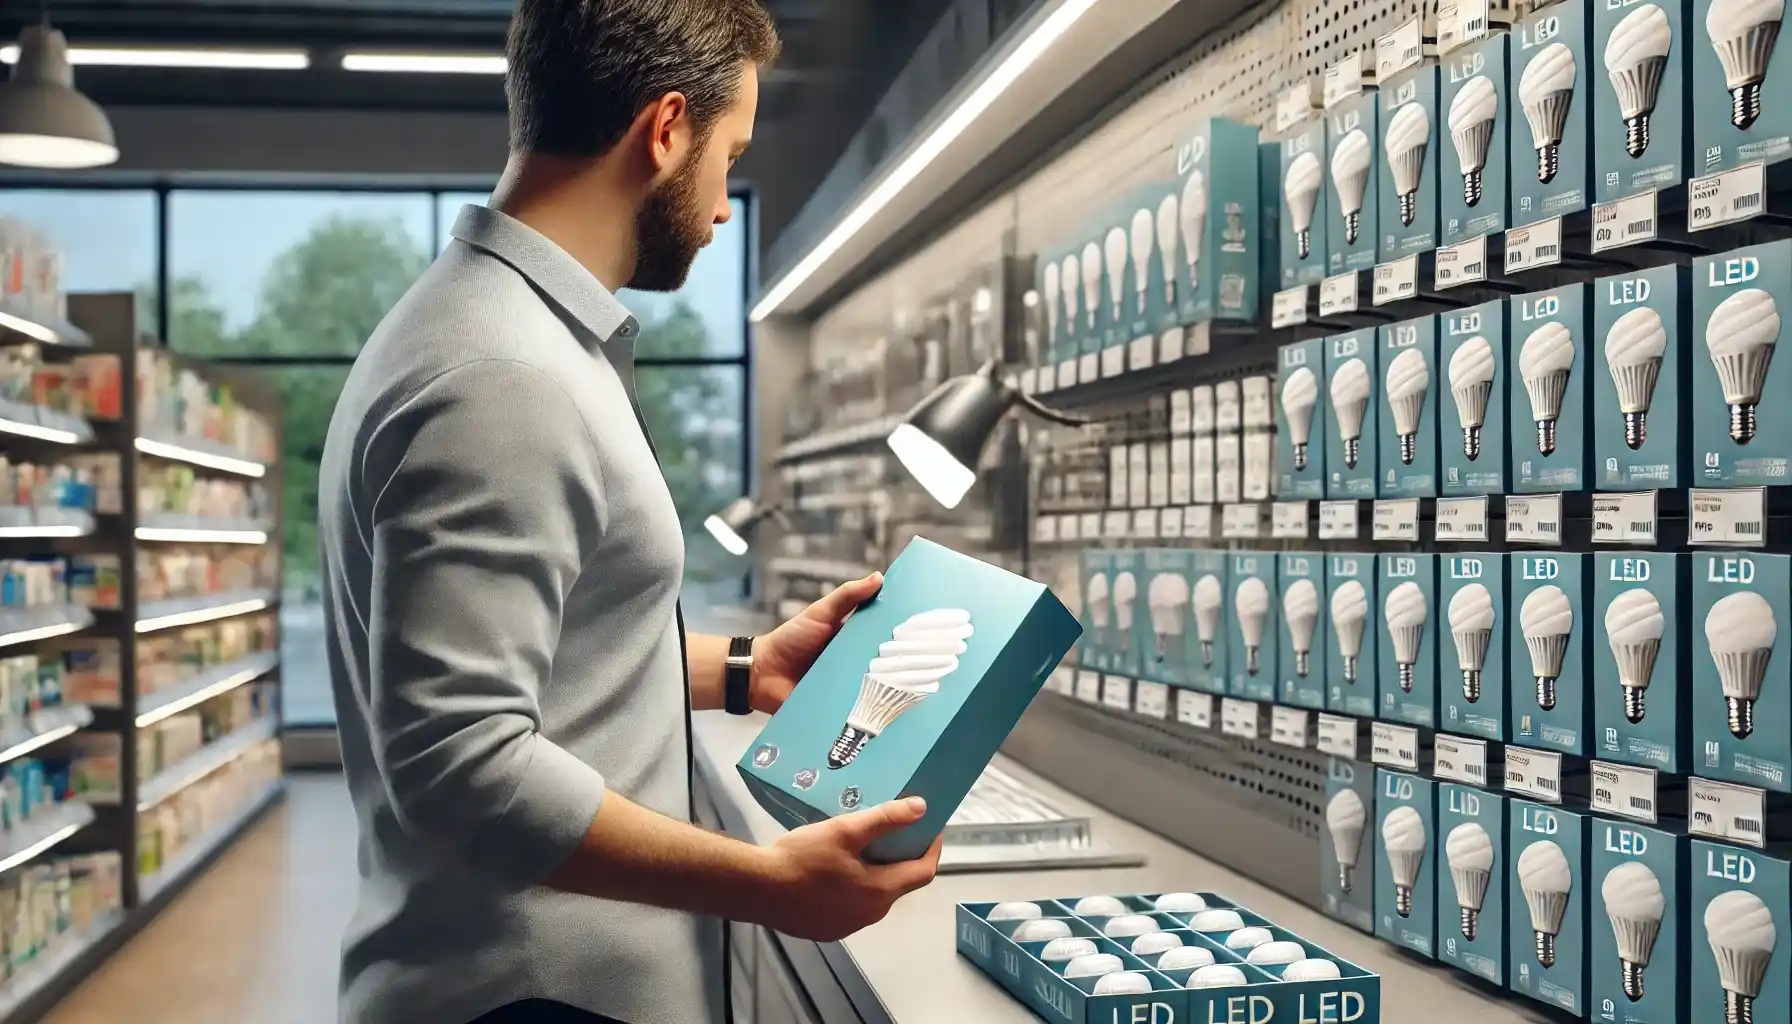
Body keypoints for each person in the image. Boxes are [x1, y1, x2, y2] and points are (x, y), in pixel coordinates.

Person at [316, 2, 943, 1022]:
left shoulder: (496, 330)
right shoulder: (503, 375)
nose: (726, 205)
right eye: (728, 158)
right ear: (663, 131)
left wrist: (747, 669)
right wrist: (770, 882)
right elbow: (460, 765)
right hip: (530, 998)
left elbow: (535, 656)